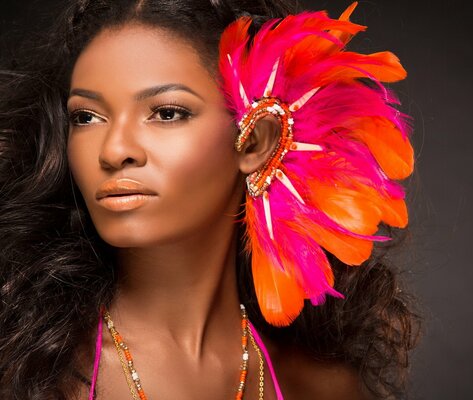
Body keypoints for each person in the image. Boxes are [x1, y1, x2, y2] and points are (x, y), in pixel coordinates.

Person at [0, 0, 421, 399]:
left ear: (256, 140)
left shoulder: (320, 387)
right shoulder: (24, 374)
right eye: (86, 117)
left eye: (166, 113)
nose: (112, 151)